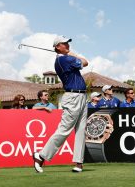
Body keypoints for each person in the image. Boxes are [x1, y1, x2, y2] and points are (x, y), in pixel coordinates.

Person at [33, 35, 92, 173]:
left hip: (82, 96)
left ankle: (78, 163)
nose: (67, 45)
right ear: (57, 47)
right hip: (72, 97)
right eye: (64, 44)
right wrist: (72, 54)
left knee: (81, 131)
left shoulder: (66, 58)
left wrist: (71, 54)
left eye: (67, 43)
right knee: (64, 130)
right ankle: (40, 156)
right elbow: (85, 62)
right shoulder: (64, 59)